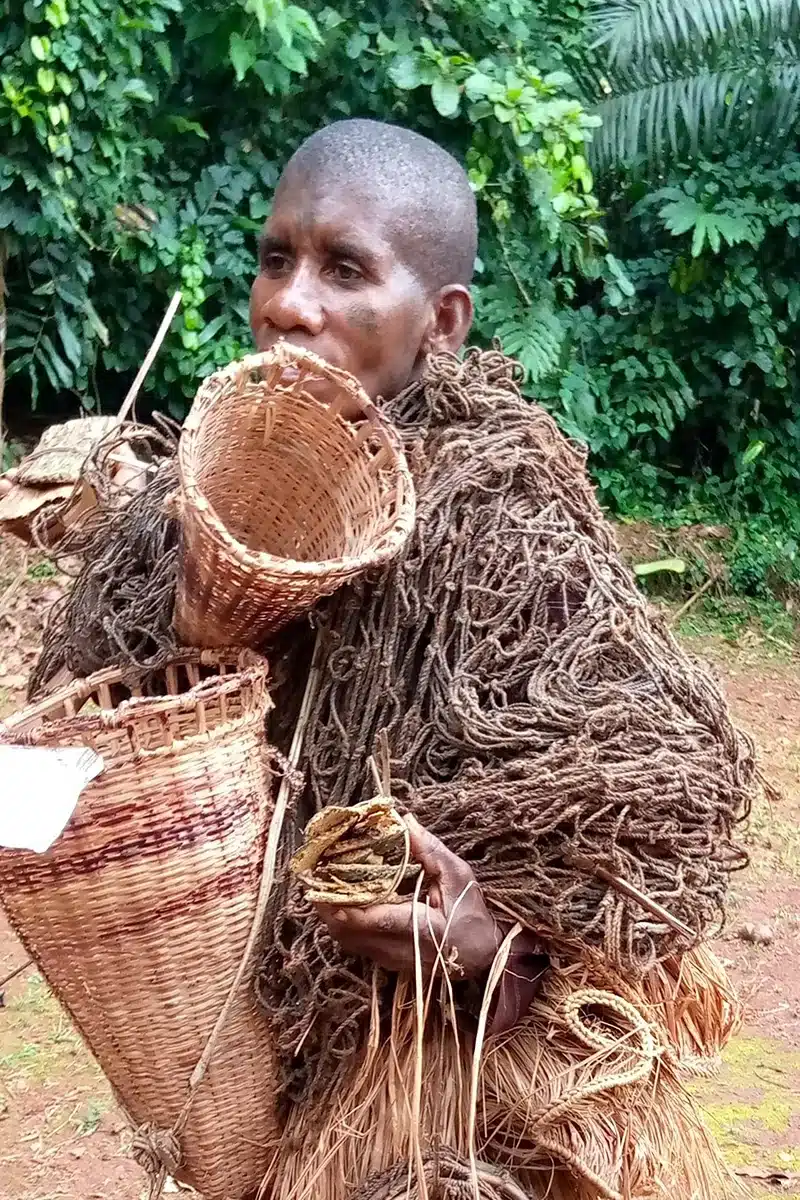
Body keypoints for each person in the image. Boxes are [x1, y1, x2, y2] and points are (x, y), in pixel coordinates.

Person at [35, 119, 755, 1200]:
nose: (288, 303)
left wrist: (492, 949)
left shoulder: (511, 538)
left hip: (461, 1106)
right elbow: (55, 766)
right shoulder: (175, 519)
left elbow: (654, 831)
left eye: (344, 269)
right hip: (239, 1075)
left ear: (441, 324)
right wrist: (187, 658)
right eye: (275, 258)